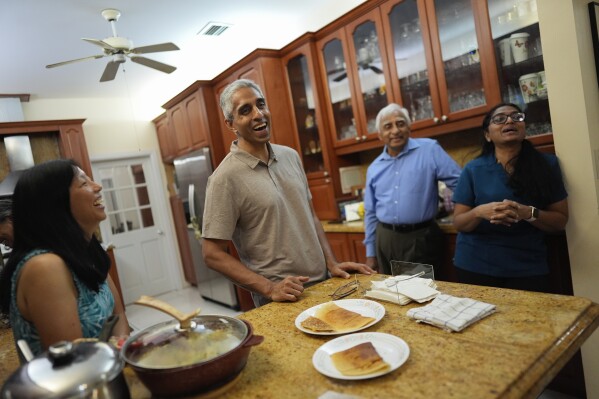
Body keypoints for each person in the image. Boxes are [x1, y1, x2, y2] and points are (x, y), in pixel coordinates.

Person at [202, 79, 375, 307]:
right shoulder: (224, 179)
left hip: (324, 285)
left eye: (261, 104)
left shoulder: (291, 156)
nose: (258, 114)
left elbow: (309, 216)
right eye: (245, 110)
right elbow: (212, 253)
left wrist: (331, 263)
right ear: (231, 124)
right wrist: (269, 288)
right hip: (280, 298)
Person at [0, 159, 130, 358]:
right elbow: (72, 360)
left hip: (107, 373)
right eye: (84, 183)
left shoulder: (86, 250)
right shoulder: (44, 267)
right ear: (55, 203)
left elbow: (118, 314)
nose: (97, 186)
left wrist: (120, 350)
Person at [452, 103, 568, 292]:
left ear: (524, 128)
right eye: (499, 119)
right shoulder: (473, 169)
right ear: (487, 135)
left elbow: (560, 221)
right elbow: (459, 222)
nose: (509, 121)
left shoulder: (547, 165)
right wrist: (479, 212)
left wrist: (527, 213)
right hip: (476, 264)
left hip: (527, 266)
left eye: (517, 117)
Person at [363, 103, 462, 275]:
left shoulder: (429, 149)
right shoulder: (374, 168)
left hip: (420, 238)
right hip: (384, 239)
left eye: (400, 124)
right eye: (388, 126)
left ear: (409, 127)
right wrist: (371, 253)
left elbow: (460, 183)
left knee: (422, 295)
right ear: (380, 135)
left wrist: (466, 213)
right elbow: (370, 213)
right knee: (389, 293)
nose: (395, 130)